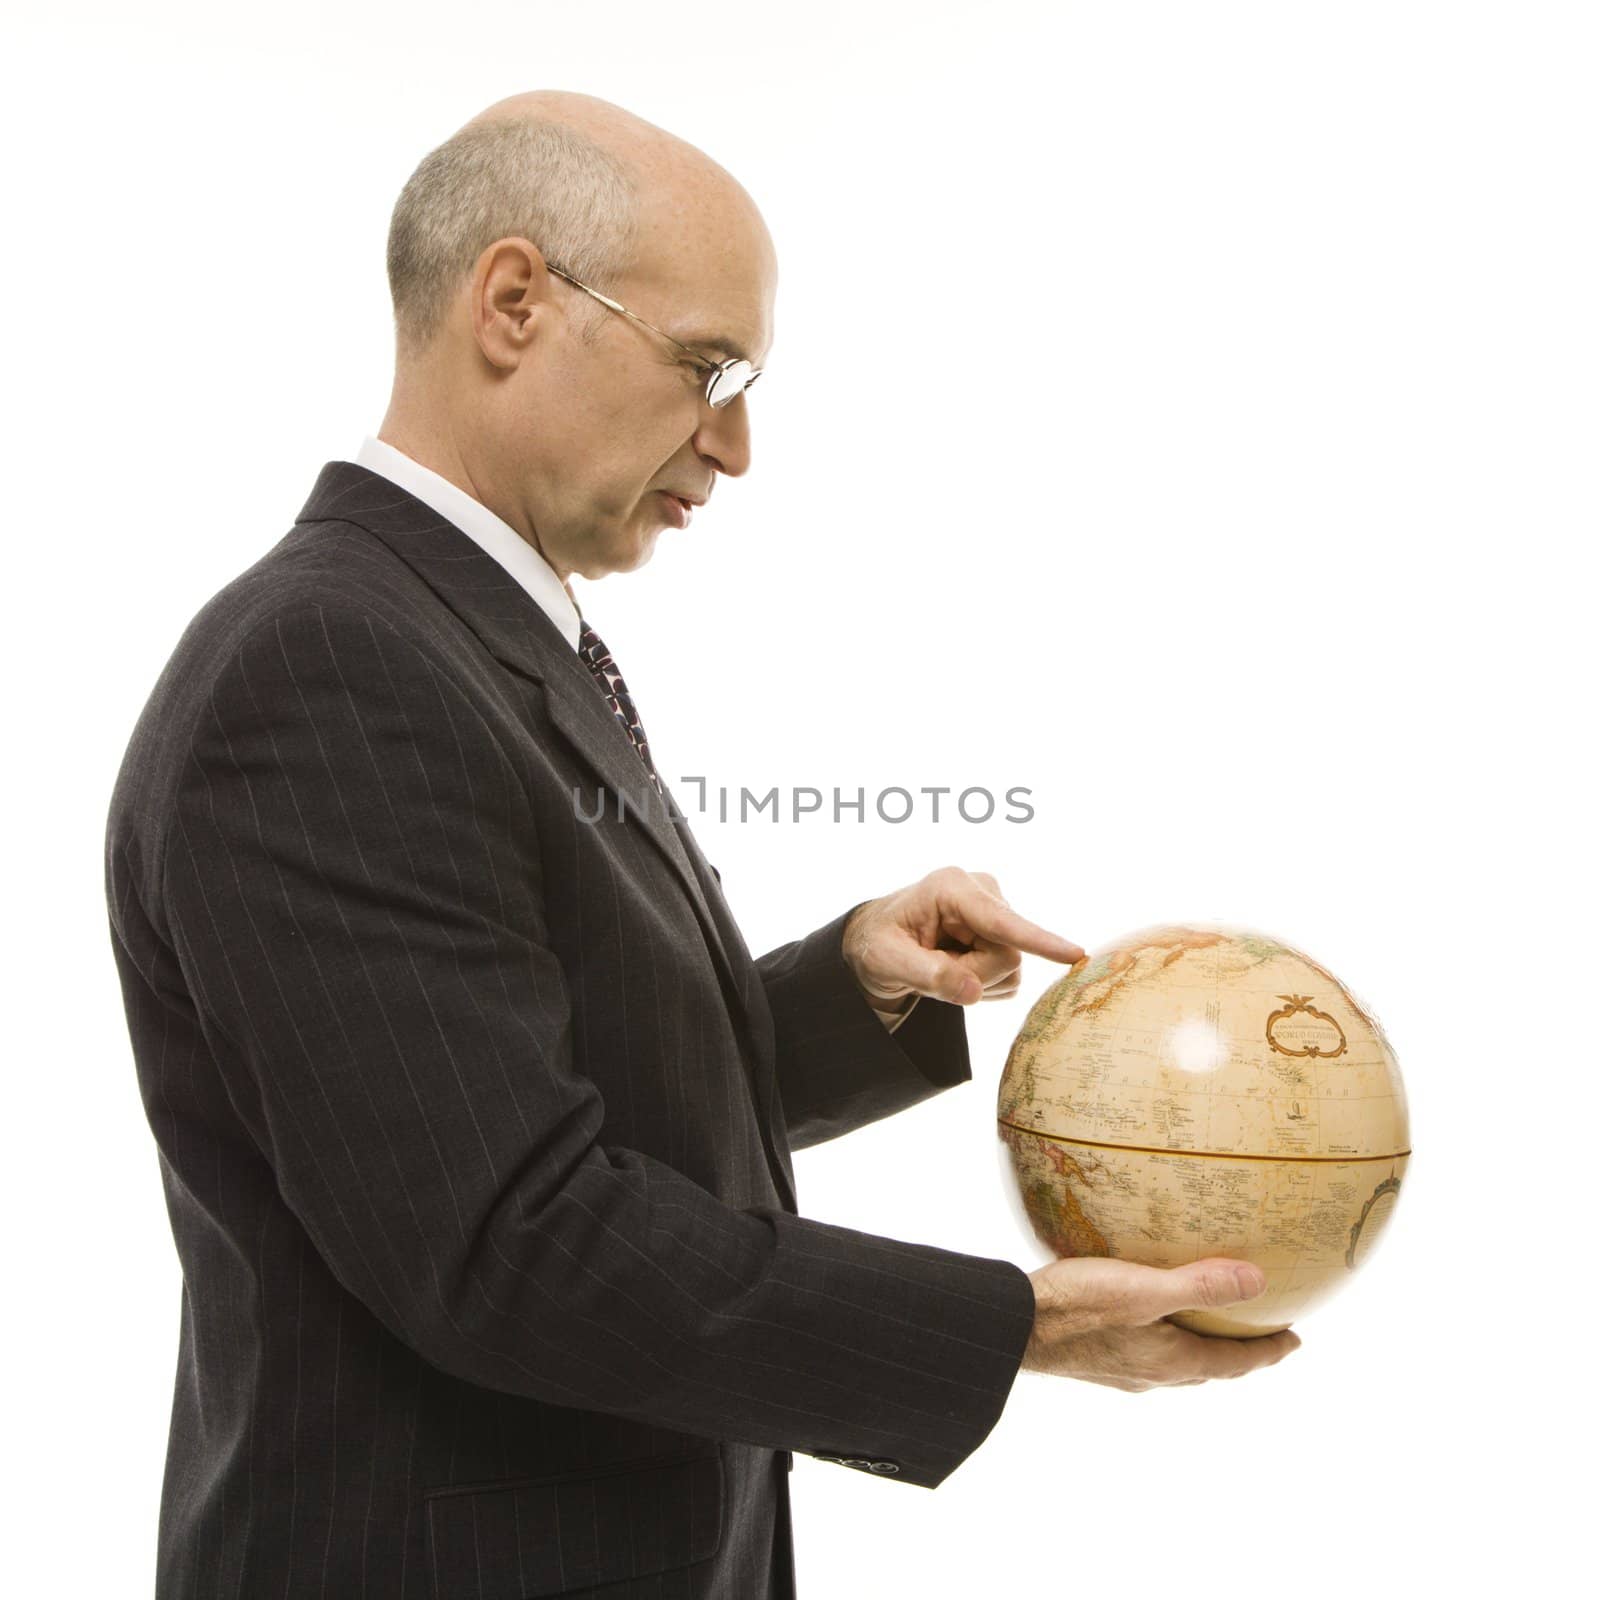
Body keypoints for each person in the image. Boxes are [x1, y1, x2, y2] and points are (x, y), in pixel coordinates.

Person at [102, 89, 1300, 1599]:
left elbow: (516, 1091)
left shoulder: (457, 636)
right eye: (708, 366)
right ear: (516, 301)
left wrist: (842, 989)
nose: (734, 444)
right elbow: (509, 1241)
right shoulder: (330, 670)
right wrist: (1023, 1328)